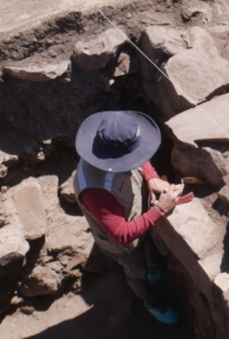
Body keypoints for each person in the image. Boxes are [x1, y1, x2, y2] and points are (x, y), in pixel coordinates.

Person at [73, 111, 183, 324]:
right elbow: (122, 235)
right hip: (123, 245)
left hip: (136, 211)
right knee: (135, 270)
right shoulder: (96, 191)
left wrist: (151, 177)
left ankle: (155, 273)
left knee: (149, 244)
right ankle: (150, 300)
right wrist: (160, 210)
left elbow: (138, 155)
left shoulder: (109, 148)